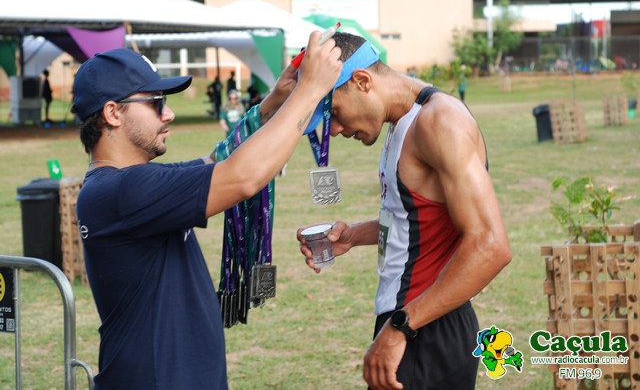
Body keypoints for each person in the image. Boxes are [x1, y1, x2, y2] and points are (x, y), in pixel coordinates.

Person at [71, 33, 341, 389]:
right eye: (155, 103)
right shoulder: (124, 191)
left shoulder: (129, 184)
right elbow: (242, 176)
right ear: (113, 113)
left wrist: (273, 103)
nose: (169, 113)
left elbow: (217, 160)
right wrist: (310, 90)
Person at [297, 32, 512, 390]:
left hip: (425, 328)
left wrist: (401, 327)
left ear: (362, 81)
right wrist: (354, 236)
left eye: (333, 113)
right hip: (413, 322)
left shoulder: (440, 121)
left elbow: (491, 246)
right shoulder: (404, 119)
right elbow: (419, 219)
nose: (333, 130)